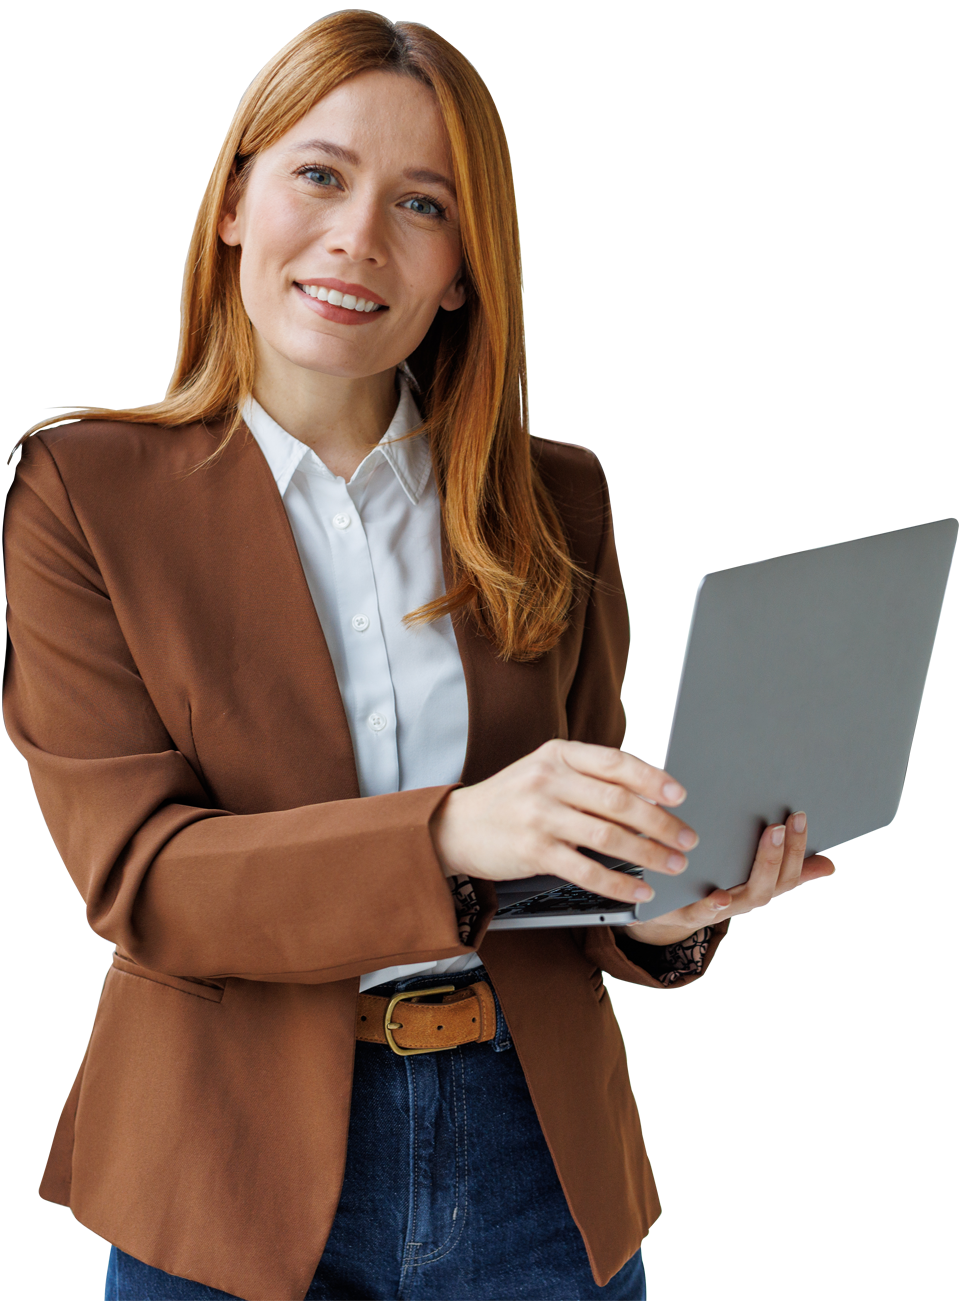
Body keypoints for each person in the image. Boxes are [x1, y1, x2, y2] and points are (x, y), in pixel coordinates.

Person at [3, 15, 833, 1301]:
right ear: (232, 205)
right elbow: (143, 879)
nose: (355, 237)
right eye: (319, 176)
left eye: (421, 203)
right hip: (227, 1168)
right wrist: (448, 831)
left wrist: (664, 907)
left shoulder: (555, 500)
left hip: (533, 1156)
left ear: (461, 268)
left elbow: (568, 870)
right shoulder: (79, 494)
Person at [709, 283, 830, 500]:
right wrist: (736, 453)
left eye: (775, 313)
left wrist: (788, 447)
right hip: (740, 485)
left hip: (788, 486)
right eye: (762, 314)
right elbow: (715, 428)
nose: (768, 322)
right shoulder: (737, 369)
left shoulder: (806, 373)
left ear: (790, 317)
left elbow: (824, 431)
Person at [847, 272, 958, 469]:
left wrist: (884, 445)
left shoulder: (940, 370)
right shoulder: (900, 361)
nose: (891, 307)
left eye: (901, 299)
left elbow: (951, 441)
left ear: (924, 305)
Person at [586, 275, 628, 411]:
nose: (628, 311)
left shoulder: (597, 354)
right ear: (602, 305)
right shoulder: (588, 359)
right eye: (622, 301)